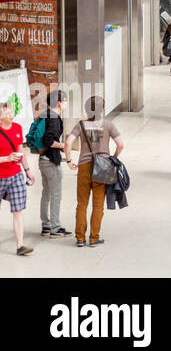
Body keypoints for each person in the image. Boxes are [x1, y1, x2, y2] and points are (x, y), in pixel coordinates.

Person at [66, 95, 125, 246]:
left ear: (87, 109)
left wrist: (68, 160)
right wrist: (113, 157)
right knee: (98, 204)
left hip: (84, 166)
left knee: (82, 203)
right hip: (103, 167)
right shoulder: (108, 125)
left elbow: (68, 142)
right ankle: (94, 238)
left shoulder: (81, 125)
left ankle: (80, 238)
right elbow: (120, 144)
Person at [31, 90, 70, 239]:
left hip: (43, 160)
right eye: (65, 100)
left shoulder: (45, 114)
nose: (66, 103)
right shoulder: (54, 118)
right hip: (51, 161)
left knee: (46, 193)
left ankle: (46, 225)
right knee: (56, 194)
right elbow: (49, 140)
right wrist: (62, 146)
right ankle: (55, 228)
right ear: (59, 102)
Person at [0, 101, 34, 255]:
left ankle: (20, 245)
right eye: (6, 113)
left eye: (11, 111)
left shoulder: (17, 128)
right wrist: (6, 158)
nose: (10, 115)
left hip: (15, 175)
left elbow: (20, 151)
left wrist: (27, 170)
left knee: (18, 209)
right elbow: (9, 156)